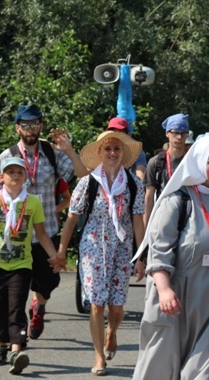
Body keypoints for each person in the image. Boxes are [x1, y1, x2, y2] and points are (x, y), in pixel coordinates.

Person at [132, 135, 209, 380]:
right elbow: (159, 252)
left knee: (208, 372)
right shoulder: (177, 201)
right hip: (178, 297)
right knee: (162, 369)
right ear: (199, 162)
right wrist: (164, 290)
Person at [0, 104, 88, 340]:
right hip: (16, 236)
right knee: (16, 288)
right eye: (25, 125)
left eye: (35, 124)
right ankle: (18, 335)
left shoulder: (52, 154)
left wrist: (70, 151)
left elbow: (83, 175)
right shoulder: (7, 157)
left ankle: (39, 306)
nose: (30, 129)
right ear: (18, 128)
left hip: (46, 232)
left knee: (49, 281)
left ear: (41, 126)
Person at [0, 157, 63, 375]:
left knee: (16, 307)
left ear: (25, 177)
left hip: (22, 264)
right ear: (2, 177)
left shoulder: (33, 202)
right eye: (10, 172)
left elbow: (42, 233)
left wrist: (55, 256)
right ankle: (2, 347)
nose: (15, 175)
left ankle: (17, 351)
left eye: (19, 172)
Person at [57, 130, 145, 376]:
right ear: (100, 153)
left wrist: (141, 256)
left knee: (116, 307)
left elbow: (138, 220)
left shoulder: (133, 183)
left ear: (122, 154)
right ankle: (98, 357)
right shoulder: (89, 182)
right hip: (93, 248)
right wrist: (62, 250)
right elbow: (72, 217)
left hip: (122, 249)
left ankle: (112, 331)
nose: (112, 153)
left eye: (116, 149)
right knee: (96, 304)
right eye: (107, 149)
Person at [143, 113, 190, 226]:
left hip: (188, 219)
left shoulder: (191, 161)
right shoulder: (156, 163)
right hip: (163, 219)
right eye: (176, 133)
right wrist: (146, 231)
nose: (179, 137)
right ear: (167, 133)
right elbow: (149, 199)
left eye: (183, 133)